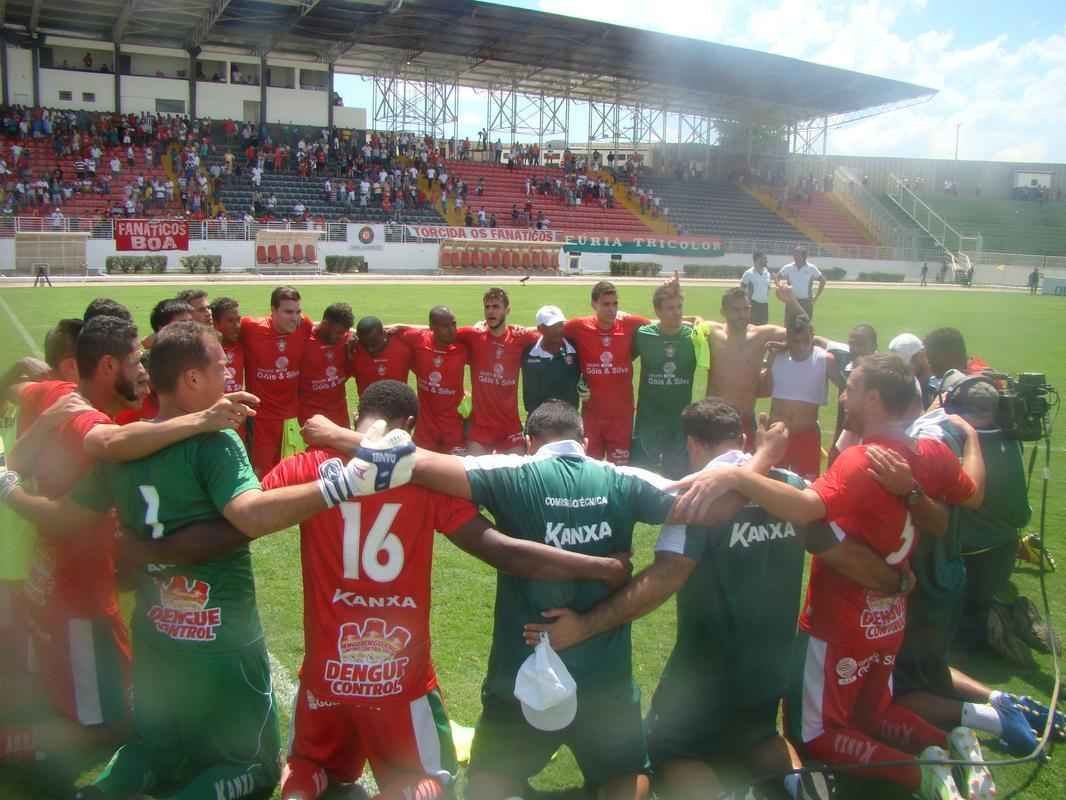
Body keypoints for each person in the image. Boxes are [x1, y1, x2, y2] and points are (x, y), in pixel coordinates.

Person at [16, 321, 413, 800]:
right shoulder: (215, 441)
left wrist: (9, 490)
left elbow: (66, 518)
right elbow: (248, 515)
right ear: (191, 380)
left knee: (150, 750)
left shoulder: (123, 444)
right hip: (221, 645)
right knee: (251, 768)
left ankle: (93, 795)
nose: (229, 375)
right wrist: (344, 484)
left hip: (157, 639)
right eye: (220, 366)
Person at [299, 399, 758, 800]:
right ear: (583, 438)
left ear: (529, 438)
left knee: (488, 782)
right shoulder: (622, 478)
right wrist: (766, 456)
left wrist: (337, 434)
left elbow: (413, 463)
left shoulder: (510, 470)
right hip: (605, 674)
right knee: (624, 774)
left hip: (518, 674)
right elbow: (713, 505)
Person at [264, 381, 632, 800]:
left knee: (310, 764)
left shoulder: (308, 466)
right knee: (431, 782)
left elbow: (251, 511)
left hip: (325, 675)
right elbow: (503, 551)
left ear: (355, 418)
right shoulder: (422, 482)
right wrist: (599, 567)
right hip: (399, 680)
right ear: (409, 426)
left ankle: (298, 791)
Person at [521, 399, 905, 800]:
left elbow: (665, 578)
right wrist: (894, 580)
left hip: (706, 667)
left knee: (670, 750)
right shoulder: (791, 486)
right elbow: (839, 551)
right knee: (759, 737)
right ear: (741, 438)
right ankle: (802, 786)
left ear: (693, 444)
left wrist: (586, 625)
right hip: (772, 660)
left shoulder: (699, 495)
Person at [669, 353, 993, 799]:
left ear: (874, 397)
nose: (843, 396)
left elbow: (808, 509)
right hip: (890, 615)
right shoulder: (932, 451)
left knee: (816, 733)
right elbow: (972, 496)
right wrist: (972, 439)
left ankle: (919, 775)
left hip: (839, 621)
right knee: (875, 711)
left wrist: (738, 476)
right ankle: (947, 742)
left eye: (852, 387)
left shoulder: (864, 460)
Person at [891, 372, 1048, 754]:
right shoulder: (997, 441)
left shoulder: (933, 438)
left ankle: (992, 718)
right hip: (958, 573)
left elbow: (964, 493)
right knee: (932, 667)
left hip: (925, 578)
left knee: (901, 689)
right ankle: (1005, 700)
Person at [563, 280, 653, 463]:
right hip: (591, 416)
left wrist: (694, 321)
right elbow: (551, 331)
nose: (612, 309)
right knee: (589, 468)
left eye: (615, 304)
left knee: (619, 470)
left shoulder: (630, 324)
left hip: (622, 417)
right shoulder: (579, 327)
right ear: (594, 304)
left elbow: (660, 325)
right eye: (606, 304)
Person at [240, 286, 314, 476]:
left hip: (293, 417)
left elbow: (326, 329)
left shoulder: (304, 325)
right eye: (288, 312)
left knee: (294, 471)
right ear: (272, 311)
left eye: (298, 311)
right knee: (261, 472)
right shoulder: (250, 327)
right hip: (262, 418)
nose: (295, 317)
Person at [456, 288, 538, 455]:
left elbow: (549, 331)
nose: (491, 311)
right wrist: (399, 326)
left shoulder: (520, 337)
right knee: (475, 476)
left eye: (496, 307)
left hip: (510, 428)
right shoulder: (473, 335)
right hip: (480, 428)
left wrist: (524, 327)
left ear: (507, 310)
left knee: (515, 477)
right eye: (487, 307)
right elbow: (439, 329)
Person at [631, 281, 700, 478]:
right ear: (657, 311)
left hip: (680, 420)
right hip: (648, 420)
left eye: (679, 307)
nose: (677, 312)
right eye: (670, 308)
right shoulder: (643, 335)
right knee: (642, 476)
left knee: (676, 476)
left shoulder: (695, 337)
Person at [701, 287, 785, 449]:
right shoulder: (711, 331)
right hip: (713, 419)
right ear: (723, 311)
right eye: (736, 310)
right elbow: (677, 324)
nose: (742, 314)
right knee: (712, 471)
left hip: (745, 420)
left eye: (746, 309)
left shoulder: (762, 335)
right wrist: (695, 318)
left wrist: (791, 301)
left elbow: (800, 332)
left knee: (745, 471)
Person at [761, 315, 835, 481]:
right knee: (772, 485)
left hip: (806, 437)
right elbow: (762, 391)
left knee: (806, 486)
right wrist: (769, 361)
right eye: (795, 341)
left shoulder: (824, 359)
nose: (801, 346)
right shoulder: (777, 357)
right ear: (787, 339)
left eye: (806, 340)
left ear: (812, 335)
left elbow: (847, 386)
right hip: (777, 435)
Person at [394, 307, 468, 454]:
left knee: (452, 473)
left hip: (452, 428)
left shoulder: (463, 346)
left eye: (453, 324)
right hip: (425, 429)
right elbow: (389, 331)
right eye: (445, 326)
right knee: (420, 473)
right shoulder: (419, 340)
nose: (452, 330)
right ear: (432, 327)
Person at [826, 323, 877, 466]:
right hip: (842, 440)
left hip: (867, 445)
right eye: (852, 344)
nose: (855, 349)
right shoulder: (845, 364)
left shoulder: (880, 375)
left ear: (874, 346)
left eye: (861, 344)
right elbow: (818, 341)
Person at [298, 303, 354, 428]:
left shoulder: (347, 341)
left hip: (340, 416)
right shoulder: (303, 341)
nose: (341, 336)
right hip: (310, 417)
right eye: (338, 332)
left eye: (345, 332)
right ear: (324, 324)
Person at [521, 305, 580, 415]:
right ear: (540, 329)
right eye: (552, 326)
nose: (558, 330)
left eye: (560, 325)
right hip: (537, 421)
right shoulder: (527, 350)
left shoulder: (575, 348)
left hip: (569, 421)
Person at [349, 316, 411, 398]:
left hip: (398, 406)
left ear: (384, 333)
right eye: (365, 345)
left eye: (374, 344)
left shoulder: (402, 346)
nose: (370, 349)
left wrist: (400, 325)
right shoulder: (354, 348)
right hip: (368, 407)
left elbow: (430, 329)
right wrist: (349, 352)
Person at [776, 246, 825, 323]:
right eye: (794, 254)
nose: (794, 256)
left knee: (805, 327)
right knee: (789, 326)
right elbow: (777, 277)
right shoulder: (788, 267)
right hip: (791, 301)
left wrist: (816, 296)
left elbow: (822, 280)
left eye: (797, 254)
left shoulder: (811, 268)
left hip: (806, 302)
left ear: (803, 256)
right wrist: (781, 288)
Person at [211, 297, 245, 394]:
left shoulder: (242, 343)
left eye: (238, 319)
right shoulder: (206, 349)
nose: (237, 325)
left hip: (238, 407)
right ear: (215, 323)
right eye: (230, 321)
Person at [741, 251, 772, 325]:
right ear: (758, 259)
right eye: (764, 258)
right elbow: (742, 288)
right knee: (752, 327)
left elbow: (768, 287)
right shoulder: (748, 273)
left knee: (764, 327)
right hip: (753, 304)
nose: (766, 261)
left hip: (764, 305)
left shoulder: (767, 273)